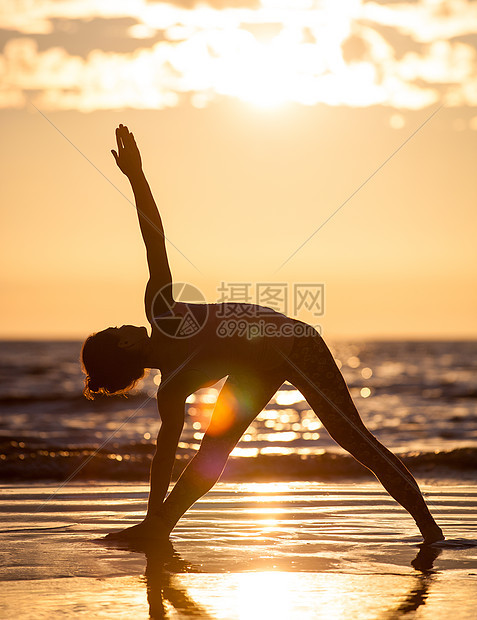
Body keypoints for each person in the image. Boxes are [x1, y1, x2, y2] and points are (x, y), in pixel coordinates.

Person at [81, 124, 444, 545]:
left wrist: (137, 176)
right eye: (113, 329)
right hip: (253, 371)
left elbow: (154, 239)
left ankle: (431, 531)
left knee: (352, 438)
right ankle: (158, 530)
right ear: (124, 344)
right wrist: (149, 519)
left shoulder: (164, 320)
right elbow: (163, 458)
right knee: (212, 454)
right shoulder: (170, 384)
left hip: (295, 344)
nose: (118, 324)